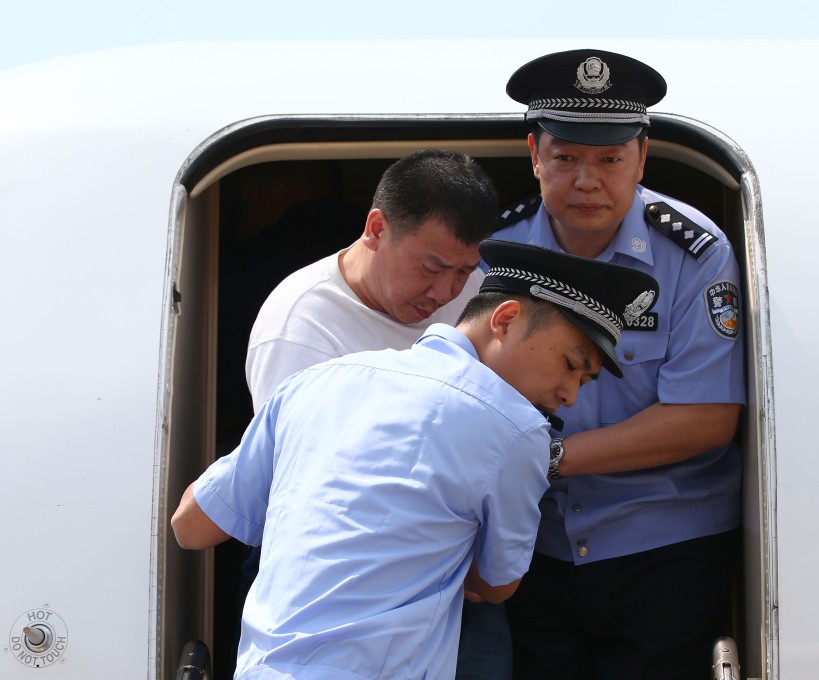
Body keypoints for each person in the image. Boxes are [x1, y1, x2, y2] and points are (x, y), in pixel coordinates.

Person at [171, 239, 660, 680]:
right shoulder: (517, 431)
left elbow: (190, 526)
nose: (570, 394)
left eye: (584, 381)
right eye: (571, 366)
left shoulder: (319, 382)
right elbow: (496, 585)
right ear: (506, 319)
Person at [494, 49, 747, 679]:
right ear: (534, 155)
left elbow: (706, 418)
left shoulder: (694, 253)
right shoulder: (493, 254)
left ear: (641, 157)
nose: (588, 181)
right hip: (533, 543)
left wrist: (550, 459)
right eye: (566, 158)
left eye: (609, 160)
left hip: (663, 544)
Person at [245, 149, 500, 411]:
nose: (445, 293)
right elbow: (298, 449)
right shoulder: (300, 328)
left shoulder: (475, 288)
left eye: (464, 271)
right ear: (376, 230)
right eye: (430, 269)